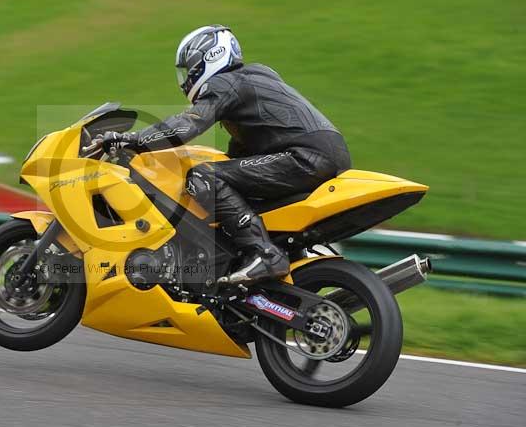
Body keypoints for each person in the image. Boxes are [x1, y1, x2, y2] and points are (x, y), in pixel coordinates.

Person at [102, 25, 351, 284]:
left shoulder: (226, 83)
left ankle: (265, 253)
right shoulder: (254, 81)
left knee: (203, 177)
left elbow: (188, 125)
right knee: (228, 185)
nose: (187, 79)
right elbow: (242, 152)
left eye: (190, 69)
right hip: (325, 153)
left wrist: (131, 140)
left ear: (210, 57)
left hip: (304, 157)